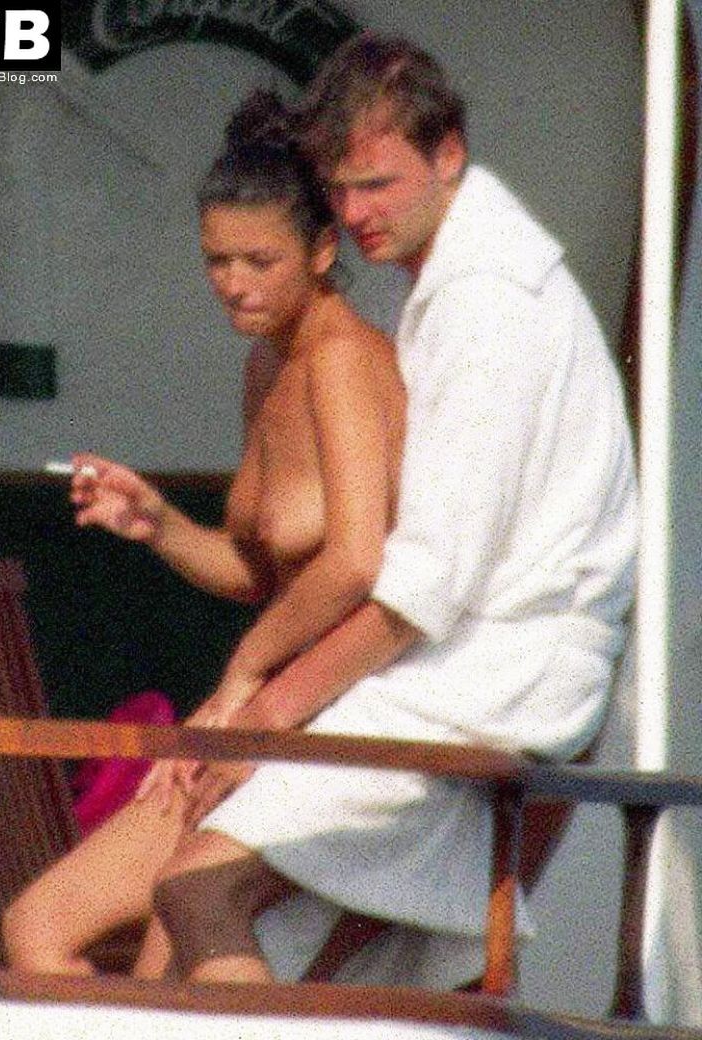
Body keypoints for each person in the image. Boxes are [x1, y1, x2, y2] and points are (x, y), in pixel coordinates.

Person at [144, 30, 637, 989]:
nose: (357, 214)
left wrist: (264, 714)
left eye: (377, 183)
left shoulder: (488, 305)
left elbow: (421, 587)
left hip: (492, 677)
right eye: (340, 190)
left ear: (449, 154)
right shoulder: (465, 282)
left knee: (198, 892)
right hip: (471, 665)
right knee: (277, 953)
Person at [2, 88, 407, 979]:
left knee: (171, 966)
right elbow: (260, 572)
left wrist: (239, 683)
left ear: (324, 250)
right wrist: (158, 525)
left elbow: (356, 562)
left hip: (333, 712)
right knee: (40, 930)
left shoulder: (342, 359)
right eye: (216, 260)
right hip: (260, 713)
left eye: (259, 260)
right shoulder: (268, 361)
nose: (233, 282)